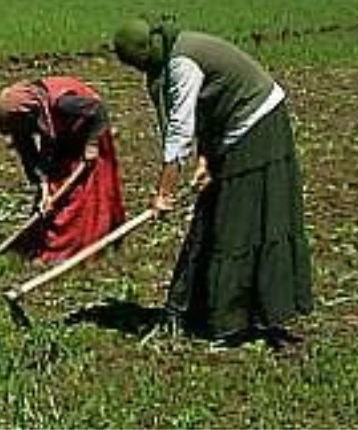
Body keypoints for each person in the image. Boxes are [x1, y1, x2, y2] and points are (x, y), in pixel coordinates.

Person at [113, 18, 313, 344]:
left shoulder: (181, 63)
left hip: (258, 123)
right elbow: (207, 110)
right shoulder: (170, 55)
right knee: (213, 213)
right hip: (231, 127)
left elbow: (180, 131)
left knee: (238, 220)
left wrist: (163, 193)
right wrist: (206, 159)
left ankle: (236, 318)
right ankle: (195, 310)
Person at [0, 77, 126, 261]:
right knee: (53, 195)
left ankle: (83, 246)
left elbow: (97, 109)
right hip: (60, 136)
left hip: (88, 130)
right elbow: (31, 158)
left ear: (29, 114)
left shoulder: (62, 103)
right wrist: (44, 188)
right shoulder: (25, 122)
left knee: (86, 197)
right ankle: (43, 243)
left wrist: (92, 144)